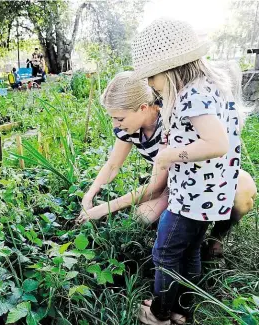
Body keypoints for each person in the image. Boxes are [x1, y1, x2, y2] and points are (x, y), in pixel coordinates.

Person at [127, 19, 247, 325]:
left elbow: (216, 142)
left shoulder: (191, 96)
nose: (151, 85)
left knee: (164, 255)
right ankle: (182, 310)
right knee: (190, 252)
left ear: (168, 70)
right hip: (211, 195)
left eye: (151, 77)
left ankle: (159, 313)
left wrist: (168, 155)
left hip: (191, 199)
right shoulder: (210, 88)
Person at [76, 70, 256, 247]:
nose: (116, 125)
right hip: (174, 181)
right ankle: (183, 233)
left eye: (119, 118)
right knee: (144, 216)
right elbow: (113, 165)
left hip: (205, 174)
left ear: (143, 108)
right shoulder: (129, 128)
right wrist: (89, 196)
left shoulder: (169, 119)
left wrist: (105, 208)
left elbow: (156, 186)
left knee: (243, 193)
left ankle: (216, 241)